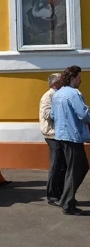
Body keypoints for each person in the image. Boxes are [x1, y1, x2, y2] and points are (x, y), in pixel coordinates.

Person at [51, 66, 90, 215]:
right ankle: (67, 204)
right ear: (73, 78)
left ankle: (66, 198)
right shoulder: (74, 94)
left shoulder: (58, 94)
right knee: (76, 170)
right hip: (73, 137)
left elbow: (53, 115)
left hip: (61, 136)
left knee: (75, 169)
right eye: (79, 77)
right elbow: (83, 115)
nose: (81, 80)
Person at [39, 73, 65, 206]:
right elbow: (46, 114)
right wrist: (60, 109)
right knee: (55, 165)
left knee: (61, 165)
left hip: (59, 134)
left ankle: (60, 193)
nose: (64, 82)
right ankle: (52, 195)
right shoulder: (48, 95)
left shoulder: (59, 94)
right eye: (61, 80)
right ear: (56, 83)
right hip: (51, 134)